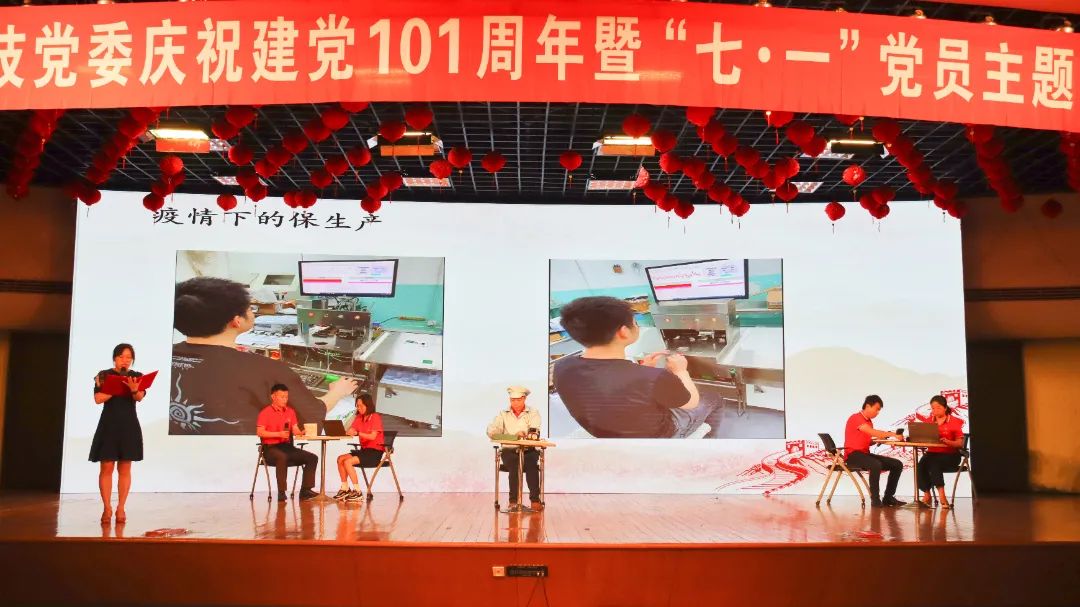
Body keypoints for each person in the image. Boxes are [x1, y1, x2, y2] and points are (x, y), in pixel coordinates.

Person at [170, 277, 357, 434]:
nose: (252, 312)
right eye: (250, 308)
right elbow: (311, 418)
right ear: (236, 321)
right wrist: (338, 391)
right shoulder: (269, 370)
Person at [552, 296, 712, 438]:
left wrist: (645, 369)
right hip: (657, 437)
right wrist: (681, 371)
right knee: (711, 399)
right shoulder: (652, 377)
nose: (637, 326)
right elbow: (691, 403)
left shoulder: (561, 367)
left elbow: (608, 388)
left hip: (604, 434)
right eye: (635, 323)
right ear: (623, 332)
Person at [90, 343, 147, 524]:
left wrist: (133, 389)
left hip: (129, 425)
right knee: (106, 466)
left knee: (125, 467)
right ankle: (107, 508)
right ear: (115, 358)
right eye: (122, 357)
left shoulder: (136, 376)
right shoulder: (104, 375)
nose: (125, 360)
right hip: (109, 425)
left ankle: (121, 507)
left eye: (129, 357)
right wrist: (113, 388)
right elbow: (98, 399)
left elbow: (139, 397)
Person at [256, 384, 319, 501]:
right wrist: (278, 434)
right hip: (270, 449)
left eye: (286, 397)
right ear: (273, 397)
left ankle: (305, 490)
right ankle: (281, 492)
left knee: (312, 458)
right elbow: (260, 432)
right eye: (282, 397)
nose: (285, 399)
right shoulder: (265, 412)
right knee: (282, 457)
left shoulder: (290, 412)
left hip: (287, 447)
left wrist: (302, 433)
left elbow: (295, 430)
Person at [844, 395, 907, 507]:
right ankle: (875, 500)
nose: (877, 413)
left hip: (864, 454)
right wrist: (892, 434)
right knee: (875, 464)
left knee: (897, 464)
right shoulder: (856, 418)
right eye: (877, 409)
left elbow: (867, 440)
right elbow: (873, 432)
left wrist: (880, 440)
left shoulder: (869, 422)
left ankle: (888, 497)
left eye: (879, 410)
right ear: (868, 406)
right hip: (852, 456)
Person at [487, 386, 543, 510]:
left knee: (531, 465)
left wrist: (527, 434)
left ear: (524, 399)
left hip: (528, 450)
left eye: (518, 400)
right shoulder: (503, 414)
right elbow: (491, 432)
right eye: (513, 400)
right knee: (515, 465)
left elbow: (534, 430)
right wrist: (512, 437)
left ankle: (535, 500)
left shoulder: (533, 413)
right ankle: (513, 501)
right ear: (509, 400)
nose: (515, 403)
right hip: (509, 450)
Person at [915, 395, 965, 509]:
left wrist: (948, 442)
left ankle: (942, 495)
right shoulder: (929, 421)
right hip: (932, 453)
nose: (935, 410)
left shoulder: (954, 421)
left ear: (945, 408)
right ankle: (927, 494)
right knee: (920, 465)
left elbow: (960, 443)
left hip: (951, 455)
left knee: (933, 463)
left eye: (938, 407)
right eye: (933, 408)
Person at [334, 393, 385, 502]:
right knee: (340, 459)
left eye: (361, 405)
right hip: (364, 451)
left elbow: (372, 436)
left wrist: (358, 433)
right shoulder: (359, 417)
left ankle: (357, 492)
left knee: (348, 462)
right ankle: (345, 489)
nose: (359, 408)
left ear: (368, 405)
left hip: (374, 453)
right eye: (357, 406)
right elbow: (352, 430)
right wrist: (349, 431)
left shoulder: (375, 417)